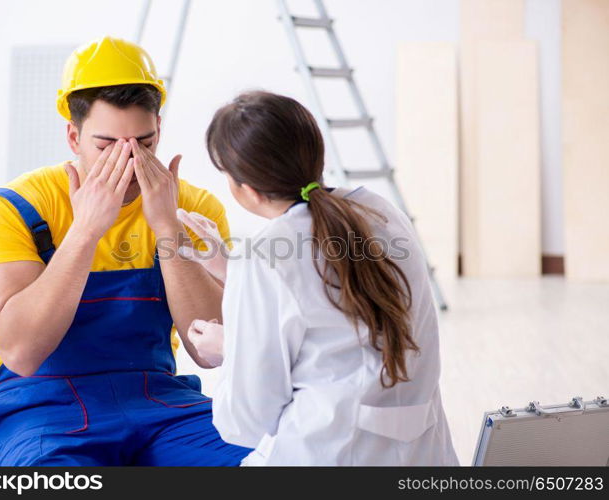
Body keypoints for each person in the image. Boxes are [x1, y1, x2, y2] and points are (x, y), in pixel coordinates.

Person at [0, 36, 251, 466]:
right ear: (73, 136)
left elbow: (208, 349)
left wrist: (168, 229)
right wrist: (85, 231)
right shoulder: (16, 207)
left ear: (160, 129)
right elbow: (21, 353)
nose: (130, 163)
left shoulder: (193, 208)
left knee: (265, 463)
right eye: (107, 147)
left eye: (145, 143)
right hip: (40, 409)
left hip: (159, 400)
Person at [178, 91, 460, 466]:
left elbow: (244, 423)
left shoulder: (263, 258)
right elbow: (339, 317)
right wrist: (232, 271)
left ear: (242, 188)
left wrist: (233, 349)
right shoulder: (379, 211)